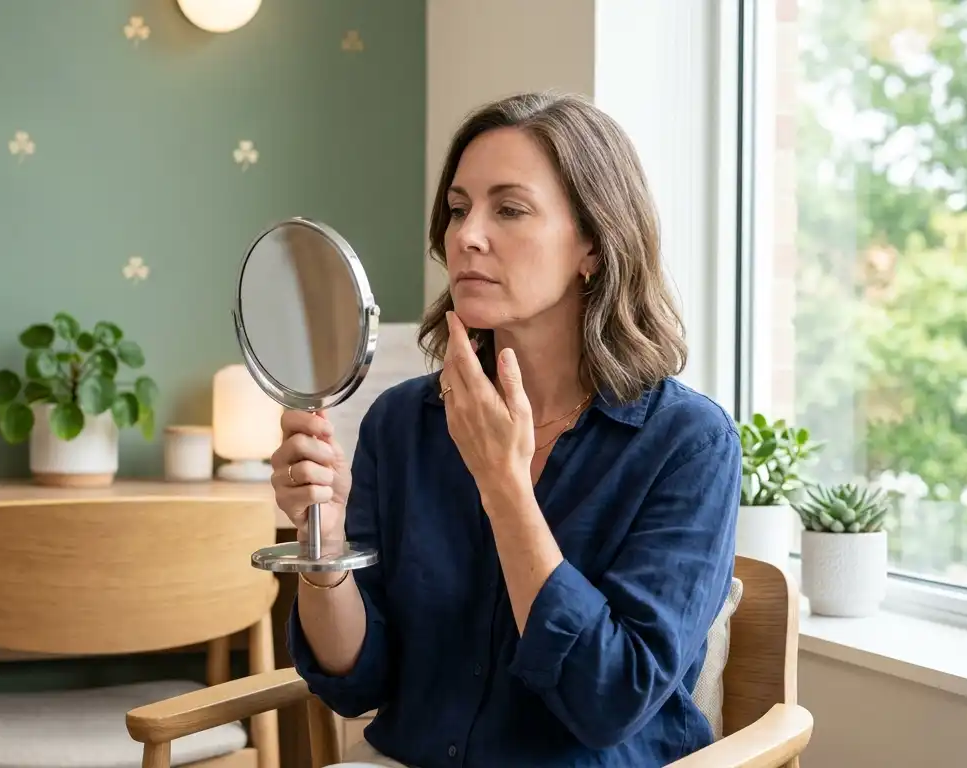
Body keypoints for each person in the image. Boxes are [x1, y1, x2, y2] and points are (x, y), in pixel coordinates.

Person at [271, 91, 741, 767]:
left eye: (509, 209)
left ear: (593, 246)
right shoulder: (400, 424)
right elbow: (357, 679)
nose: (466, 234)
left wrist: (504, 486)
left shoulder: (688, 444)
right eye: (459, 208)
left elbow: (609, 698)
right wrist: (325, 546)